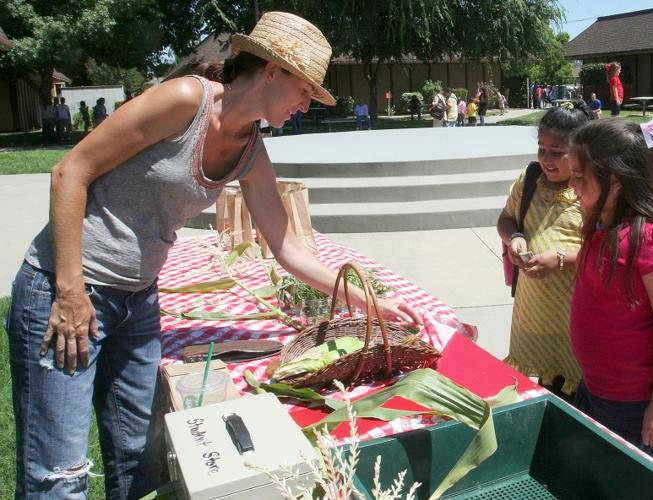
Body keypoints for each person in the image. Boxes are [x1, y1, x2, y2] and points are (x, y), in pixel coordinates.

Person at [7, 11, 420, 499]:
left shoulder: (251, 150)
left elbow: (286, 246)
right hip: (66, 288)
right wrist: (71, 291)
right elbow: (69, 173)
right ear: (272, 70)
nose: (307, 102)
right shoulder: (185, 100)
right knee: (60, 474)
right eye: (305, 88)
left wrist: (366, 301)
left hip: (137, 301)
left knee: (140, 460)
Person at [567, 118, 653, 459]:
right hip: (596, 390)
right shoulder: (602, 226)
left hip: (634, 405)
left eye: (579, 177)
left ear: (616, 180)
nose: (572, 185)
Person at [497, 100, 593, 399]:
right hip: (531, 313)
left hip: (574, 318)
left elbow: (607, 250)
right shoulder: (530, 180)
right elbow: (506, 218)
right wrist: (514, 237)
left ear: (579, 152)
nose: (546, 159)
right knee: (535, 391)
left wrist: (562, 259)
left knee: (571, 395)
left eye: (557, 153)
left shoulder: (591, 189)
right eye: (542, 149)